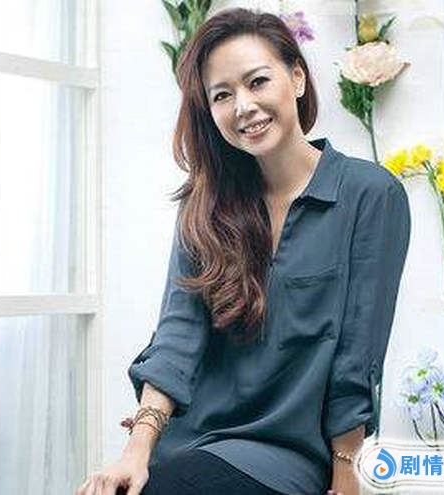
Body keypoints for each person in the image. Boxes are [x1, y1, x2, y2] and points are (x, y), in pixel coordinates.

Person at [76, 7, 411, 495]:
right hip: (192, 445)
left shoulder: (370, 194)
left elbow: (356, 359)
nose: (243, 107)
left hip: (289, 455)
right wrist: (135, 451)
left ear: (297, 78)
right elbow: (178, 335)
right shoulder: (205, 203)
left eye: (257, 82)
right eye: (222, 95)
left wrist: (346, 474)